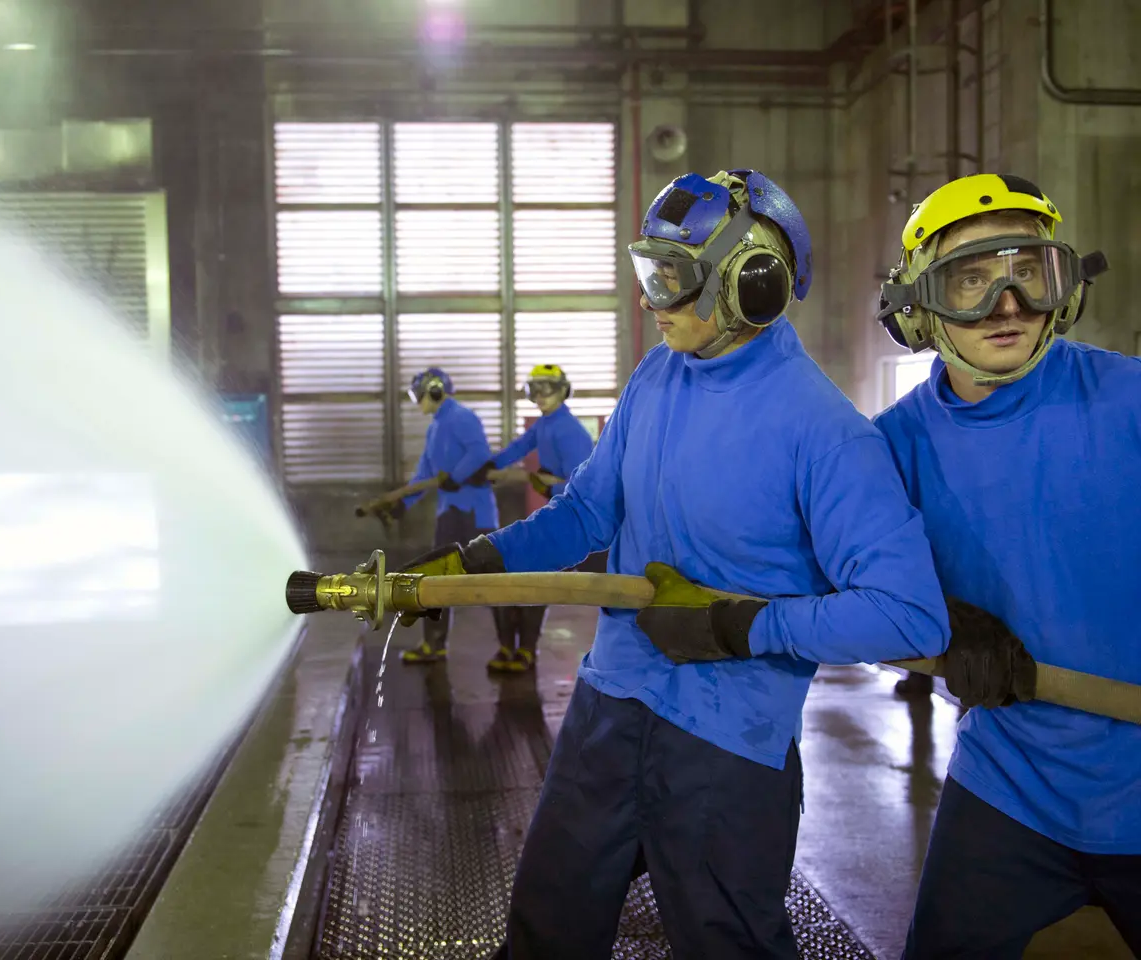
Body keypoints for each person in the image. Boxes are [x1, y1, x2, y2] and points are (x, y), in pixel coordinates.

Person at [404, 170, 950, 958]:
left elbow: (908, 613)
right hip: (609, 704)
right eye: (647, 271)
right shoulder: (656, 377)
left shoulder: (825, 431)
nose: (650, 298)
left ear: (751, 284)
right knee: (545, 926)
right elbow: (587, 514)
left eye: (672, 277)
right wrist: (470, 562)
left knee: (726, 943)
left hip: (727, 744)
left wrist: (742, 627)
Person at [873, 172, 1138, 958]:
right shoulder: (892, 446)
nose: (1009, 305)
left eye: (1031, 274)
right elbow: (850, 590)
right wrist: (944, 623)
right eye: (972, 281)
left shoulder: (1128, 399)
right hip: (1009, 785)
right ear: (919, 305)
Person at [474, 363, 596, 673]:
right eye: (534, 390)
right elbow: (520, 447)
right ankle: (509, 647)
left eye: (547, 389)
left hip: (572, 517)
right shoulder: (545, 425)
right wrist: (488, 464)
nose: (540, 397)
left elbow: (585, 485)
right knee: (517, 573)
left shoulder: (569, 430)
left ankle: (525, 650)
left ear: (563, 391)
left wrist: (546, 483)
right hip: (555, 510)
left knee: (532, 576)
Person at [388, 367, 506, 664]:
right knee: (437, 578)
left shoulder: (462, 417)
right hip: (449, 514)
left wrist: (457, 476)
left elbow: (479, 453)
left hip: (475, 515)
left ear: (436, 391)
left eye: (419, 395)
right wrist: (405, 502)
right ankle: (434, 644)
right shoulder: (435, 427)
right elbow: (425, 473)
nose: (418, 402)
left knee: (493, 582)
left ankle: (510, 646)